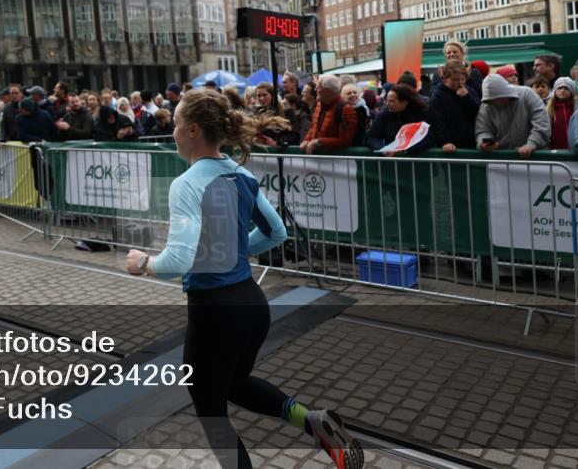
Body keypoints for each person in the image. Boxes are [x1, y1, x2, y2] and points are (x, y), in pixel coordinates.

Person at [123, 88, 363, 469]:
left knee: (210, 408)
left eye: (178, 121)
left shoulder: (186, 184)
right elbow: (276, 233)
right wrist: (232, 250)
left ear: (193, 130)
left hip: (215, 312)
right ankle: (310, 420)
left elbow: (180, 259)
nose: (173, 130)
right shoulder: (241, 174)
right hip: (252, 305)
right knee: (233, 384)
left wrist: (144, 262)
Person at [475, 74, 551, 158]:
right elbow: (483, 129)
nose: (498, 102)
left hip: (536, 156)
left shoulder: (527, 94)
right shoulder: (486, 105)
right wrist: (484, 142)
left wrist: (531, 144)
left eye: (500, 98)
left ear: (506, 92)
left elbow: (542, 123)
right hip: (504, 159)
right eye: (494, 100)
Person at [427, 61, 480, 152]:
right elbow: (438, 122)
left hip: (472, 144)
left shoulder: (469, 91)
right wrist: (445, 141)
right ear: (444, 79)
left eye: (463, 79)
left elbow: (478, 113)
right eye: (455, 80)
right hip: (452, 147)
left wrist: (466, 98)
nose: (460, 83)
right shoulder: (438, 96)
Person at [300, 74, 359, 154]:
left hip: (337, 160)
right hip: (318, 159)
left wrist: (319, 142)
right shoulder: (319, 104)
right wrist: (307, 140)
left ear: (328, 91)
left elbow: (345, 140)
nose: (316, 89)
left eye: (319, 87)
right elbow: (313, 127)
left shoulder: (346, 109)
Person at [365, 84, 431, 154]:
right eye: (387, 100)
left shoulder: (420, 115)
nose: (387, 104)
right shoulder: (384, 114)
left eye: (391, 101)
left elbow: (428, 138)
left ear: (404, 103)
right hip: (391, 162)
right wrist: (383, 150)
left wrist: (403, 150)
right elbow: (370, 138)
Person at [546, 77, 578, 150]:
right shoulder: (549, 109)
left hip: (575, 151)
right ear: (555, 90)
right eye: (559, 88)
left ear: (572, 91)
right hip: (555, 151)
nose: (562, 90)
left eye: (566, 88)